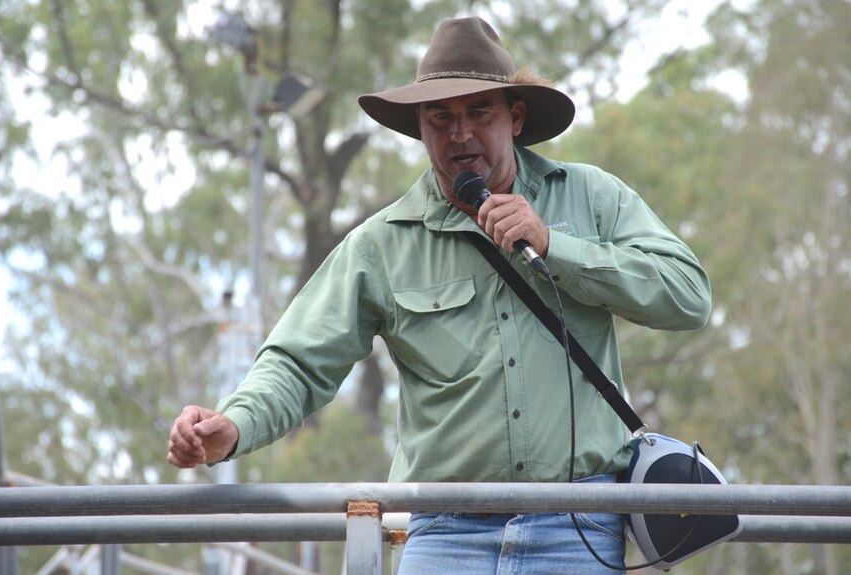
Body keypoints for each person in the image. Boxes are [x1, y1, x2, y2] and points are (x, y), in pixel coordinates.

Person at [167, 16, 711, 574]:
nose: (460, 134)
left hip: (578, 525)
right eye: (441, 117)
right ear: (420, 128)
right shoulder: (382, 244)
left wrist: (556, 249)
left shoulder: (593, 198)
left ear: (515, 117)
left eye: (480, 112)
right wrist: (234, 426)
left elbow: (688, 295)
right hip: (444, 532)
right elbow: (300, 362)